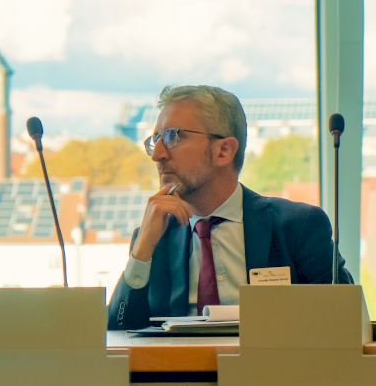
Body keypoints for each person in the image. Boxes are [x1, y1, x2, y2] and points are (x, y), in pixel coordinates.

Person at [107, 84, 350, 330]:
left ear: (224, 151)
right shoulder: (154, 238)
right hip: (181, 357)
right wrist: (141, 252)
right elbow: (117, 334)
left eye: (172, 136)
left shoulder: (297, 227)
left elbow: (347, 321)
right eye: (155, 140)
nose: (157, 154)